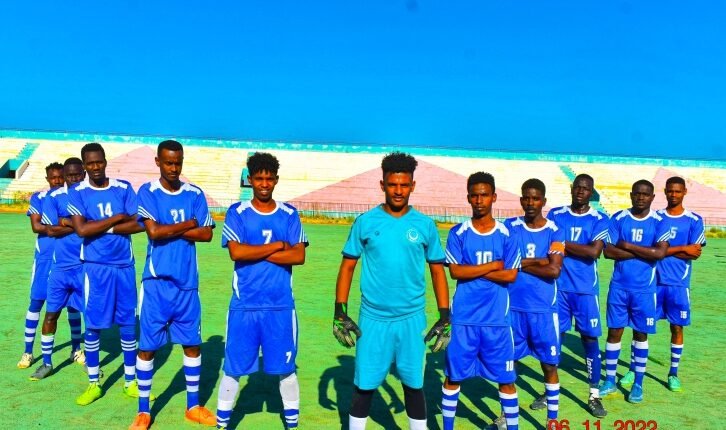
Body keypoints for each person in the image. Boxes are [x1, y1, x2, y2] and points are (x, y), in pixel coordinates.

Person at [332, 151, 450, 430]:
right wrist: (340, 311)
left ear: (412, 186)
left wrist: (445, 316)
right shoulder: (365, 222)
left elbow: (437, 271)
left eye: (404, 185)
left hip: (412, 319)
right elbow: (347, 267)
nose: (398, 191)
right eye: (392, 184)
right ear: (382, 185)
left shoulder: (425, 225)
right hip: (373, 319)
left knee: (414, 385)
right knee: (364, 386)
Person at [215, 152, 308, 430]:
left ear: (276, 180)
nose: (264, 184)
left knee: (287, 371)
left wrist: (254, 251)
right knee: (232, 370)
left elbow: (298, 256)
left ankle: (292, 425)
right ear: (250, 180)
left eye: (269, 179)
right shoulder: (237, 212)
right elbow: (236, 252)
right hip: (244, 306)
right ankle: (222, 424)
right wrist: (277, 246)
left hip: (280, 307)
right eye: (259, 178)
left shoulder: (289, 214)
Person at [128, 140, 216, 430]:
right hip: (156, 285)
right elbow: (153, 232)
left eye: (178, 162)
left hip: (187, 285)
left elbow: (207, 234)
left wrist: (171, 228)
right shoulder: (148, 192)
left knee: (192, 345)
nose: (174, 168)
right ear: (158, 161)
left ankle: (193, 406)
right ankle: (143, 411)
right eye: (168, 162)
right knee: (147, 348)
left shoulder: (194, 193)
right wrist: (188, 225)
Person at [440, 172, 521, 430]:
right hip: (463, 320)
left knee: (506, 380)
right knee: (453, 377)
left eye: (484, 195)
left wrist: (474, 269)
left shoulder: (508, 234)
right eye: (474, 195)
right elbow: (455, 271)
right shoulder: (458, 233)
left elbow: (510, 275)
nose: (479, 200)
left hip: (496, 321)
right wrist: (492, 265)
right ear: (468, 198)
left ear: (493, 197)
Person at [67, 142, 146, 406]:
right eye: (90, 163)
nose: (96, 167)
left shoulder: (123, 188)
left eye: (99, 162)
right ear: (84, 165)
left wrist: (100, 226)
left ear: (105, 161)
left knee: (128, 323)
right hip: (95, 267)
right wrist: (115, 219)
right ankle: (94, 383)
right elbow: (81, 230)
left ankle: (130, 381)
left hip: (124, 265)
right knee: (93, 325)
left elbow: (139, 224)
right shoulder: (77, 192)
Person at [599, 180, 669, 404]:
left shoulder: (659, 221)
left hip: (645, 291)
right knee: (614, 332)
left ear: (652, 197)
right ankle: (610, 380)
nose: (641, 197)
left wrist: (628, 246)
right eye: (637, 193)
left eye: (645, 194)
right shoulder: (619, 218)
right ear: (631, 195)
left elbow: (660, 254)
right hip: (619, 287)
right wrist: (646, 252)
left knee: (640, 334)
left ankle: (638, 384)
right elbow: (608, 252)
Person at [544, 174, 609, 417]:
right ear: (571, 188)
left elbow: (593, 252)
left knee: (590, 339)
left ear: (591, 192)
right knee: (554, 339)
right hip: (558, 289)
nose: (581, 191)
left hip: (585, 291)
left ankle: (594, 394)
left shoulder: (600, 219)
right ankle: (549, 391)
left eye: (586, 188)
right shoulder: (556, 214)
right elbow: (546, 244)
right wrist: (566, 245)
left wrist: (561, 243)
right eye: (578, 187)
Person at [504, 178, 565, 426]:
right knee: (508, 366)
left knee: (549, 366)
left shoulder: (555, 230)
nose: (530, 203)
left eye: (535, 198)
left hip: (543, 311)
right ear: (521, 200)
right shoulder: (509, 226)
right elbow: (504, 263)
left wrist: (520, 263)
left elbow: (554, 270)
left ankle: (552, 421)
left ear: (543, 201)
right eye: (526, 198)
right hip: (513, 310)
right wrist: (539, 260)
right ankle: (507, 416)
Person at [29, 157, 87, 380]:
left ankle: (87, 358)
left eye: (77, 174)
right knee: (51, 313)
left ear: (83, 174)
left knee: (88, 315)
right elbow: (50, 230)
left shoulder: (89, 196)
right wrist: (78, 226)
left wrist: (66, 222)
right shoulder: (53, 197)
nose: (73, 179)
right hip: (59, 267)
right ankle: (46, 362)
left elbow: (94, 227)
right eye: (69, 175)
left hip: (84, 266)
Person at [650, 177, 704, 392]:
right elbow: (652, 250)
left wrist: (663, 251)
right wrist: (682, 248)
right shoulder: (655, 218)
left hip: (679, 284)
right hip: (653, 282)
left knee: (677, 327)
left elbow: (695, 253)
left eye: (677, 191)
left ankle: (673, 373)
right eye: (670, 191)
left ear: (684, 192)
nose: (673, 195)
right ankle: (634, 370)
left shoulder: (694, 220)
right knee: (641, 327)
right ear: (665, 192)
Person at [17, 162, 69, 369]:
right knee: (36, 303)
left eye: (60, 177)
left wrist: (56, 227)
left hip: (67, 259)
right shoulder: (39, 197)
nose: (57, 181)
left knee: (73, 305)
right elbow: (37, 226)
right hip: (44, 259)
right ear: (47, 179)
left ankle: (76, 350)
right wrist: (68, 226)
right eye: (53, 177)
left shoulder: (70, 197)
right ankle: (28, 352)